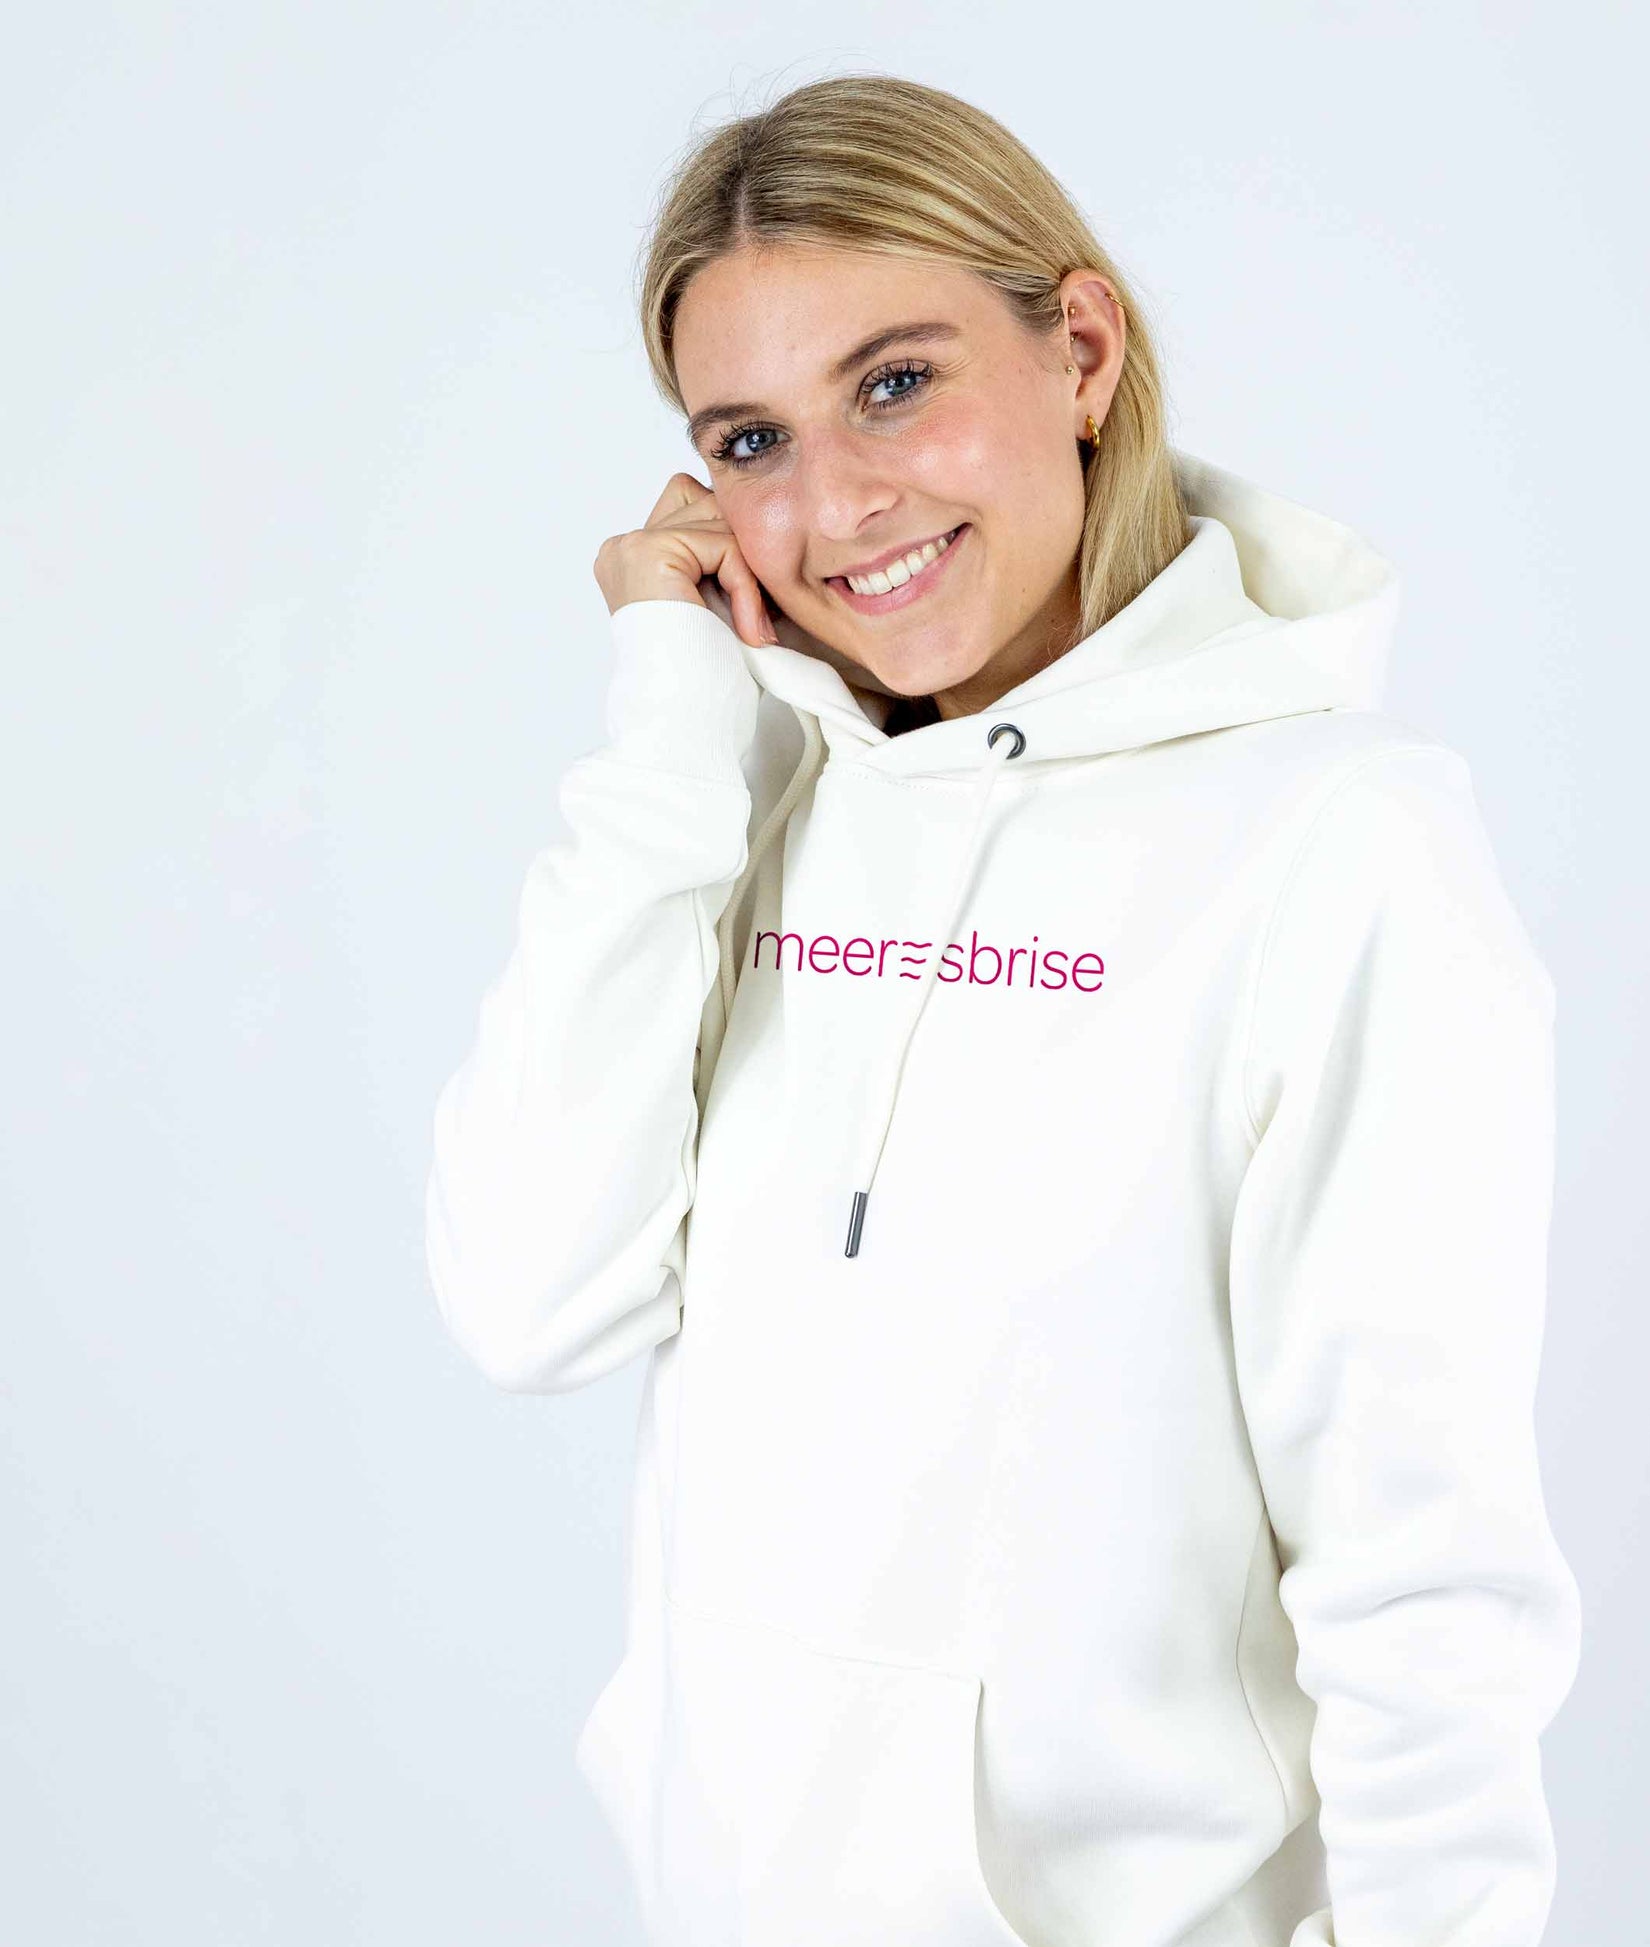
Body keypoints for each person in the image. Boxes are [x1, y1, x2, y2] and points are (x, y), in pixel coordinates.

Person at [425, 73, 1581, 1947]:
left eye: (895, 384)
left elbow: (1419, 1577)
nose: (836, 504)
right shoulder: (750, 806)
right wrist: (670, 713)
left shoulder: (1342, 843)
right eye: (749, 440)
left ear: (1081, 351)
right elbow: (528, 1297)